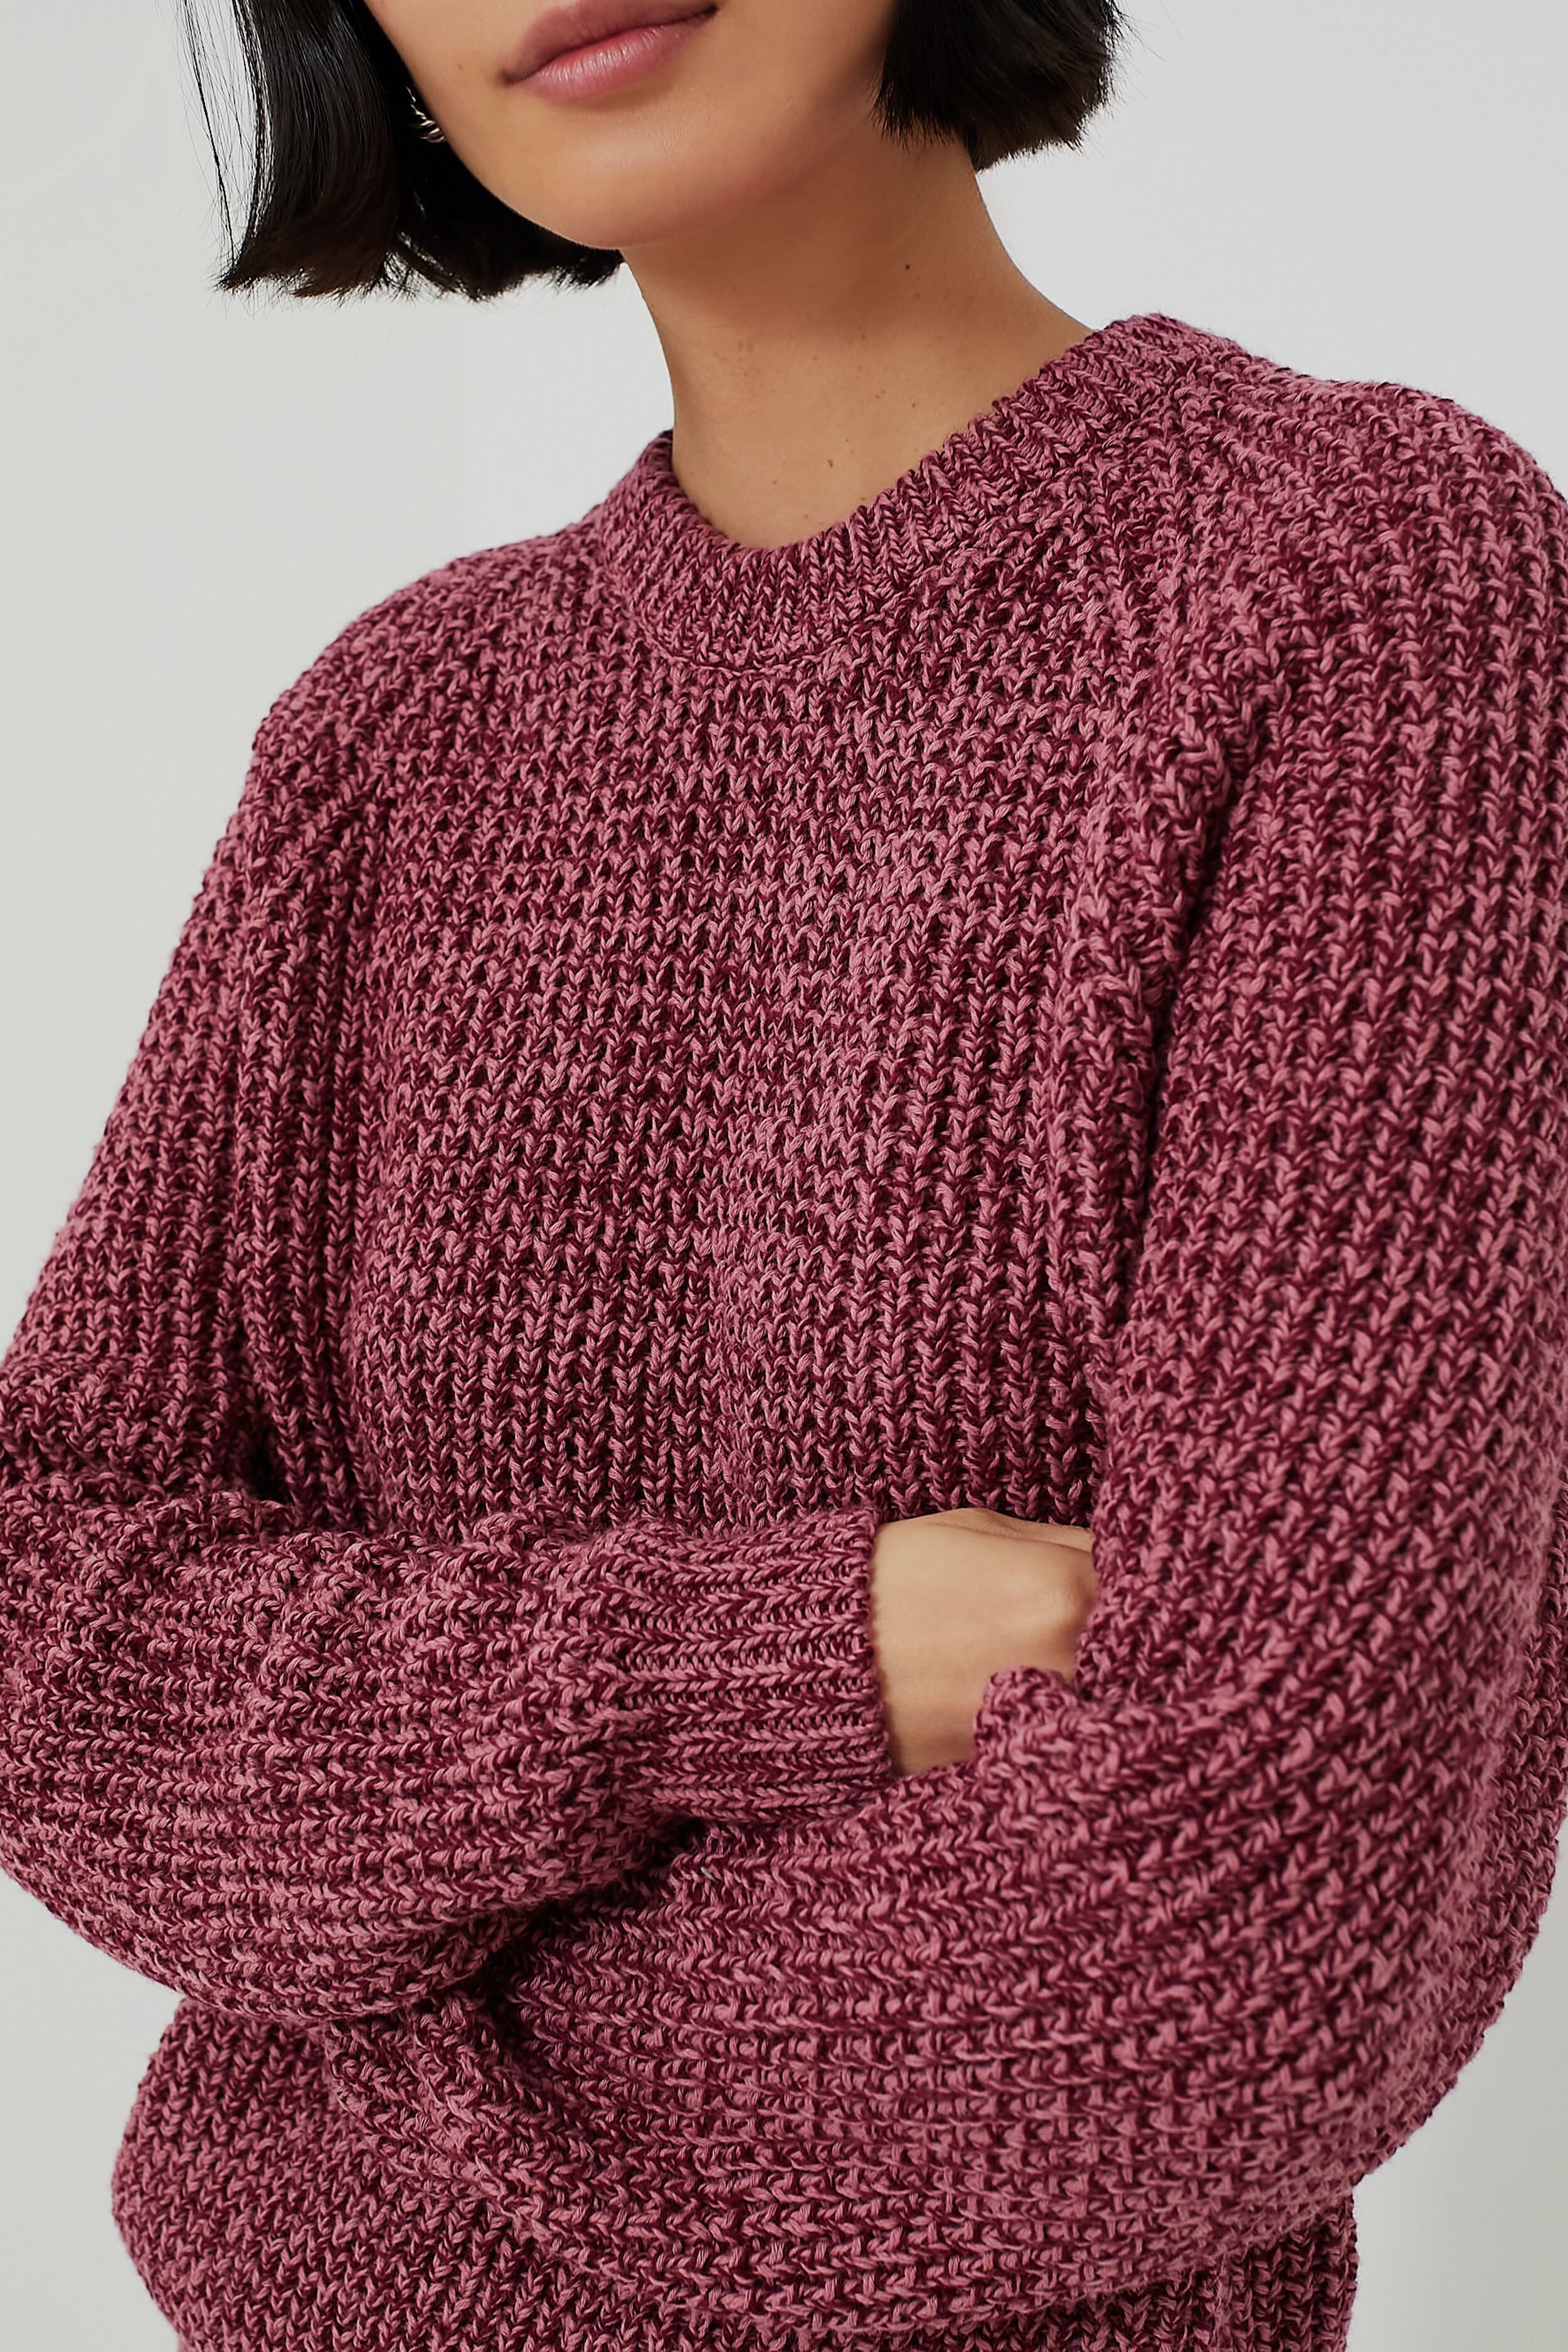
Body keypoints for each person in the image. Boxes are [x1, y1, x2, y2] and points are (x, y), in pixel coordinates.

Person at [3, 4, 1566, 2348]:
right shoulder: (393, 735)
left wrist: (346, 2121)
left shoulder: (1361, 584)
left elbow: (1232, 1940)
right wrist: (751, 1661)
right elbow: (44, 1626)